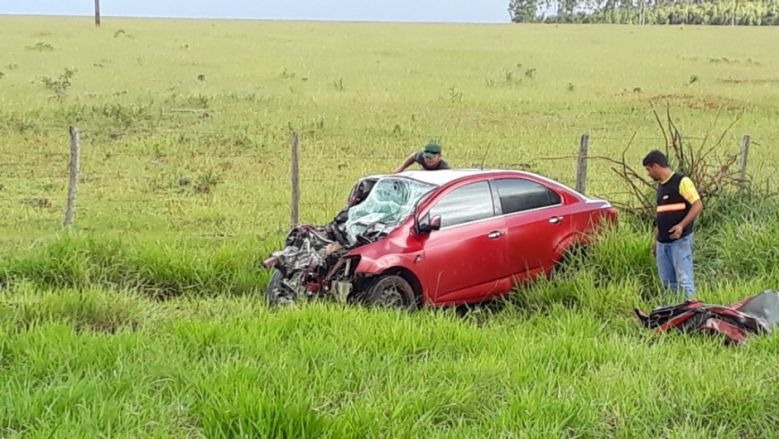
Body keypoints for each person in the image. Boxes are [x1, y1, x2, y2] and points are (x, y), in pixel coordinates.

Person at [643, 149, 703, 298]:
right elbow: (661, 216)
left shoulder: (682, 182)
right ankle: (673, 314)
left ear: (656, 166)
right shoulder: (661, 187)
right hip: (663, 244)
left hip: (680, 241)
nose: (648, 174)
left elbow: (697, 205)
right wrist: (656, 241)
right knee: (668, 284)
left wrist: (681, 225)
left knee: (684, 281)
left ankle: (691, 313)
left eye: (649, 169)